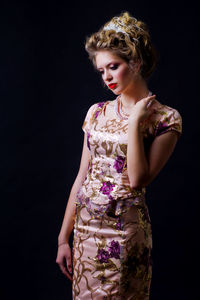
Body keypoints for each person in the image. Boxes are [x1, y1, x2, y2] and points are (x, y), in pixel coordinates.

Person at [56, 11, 182, 299]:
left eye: (113, 67)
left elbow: (137, 179)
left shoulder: (166, 119)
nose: (107, 78)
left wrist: (135, 121)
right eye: (101, 71)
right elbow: (81, 178)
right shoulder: (96, 112)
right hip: (85, 231)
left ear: (135, 62)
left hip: (124, 234)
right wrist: (64, 238)